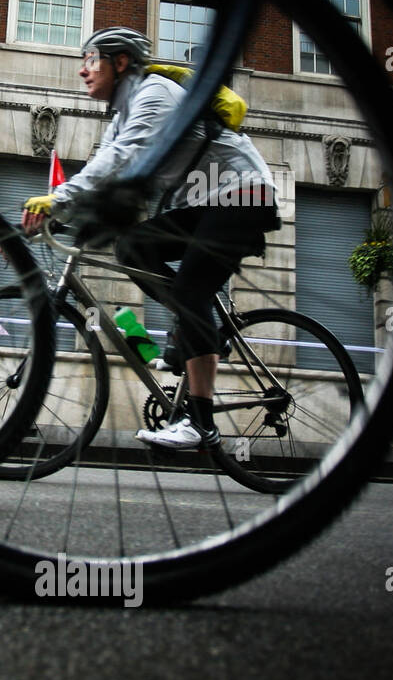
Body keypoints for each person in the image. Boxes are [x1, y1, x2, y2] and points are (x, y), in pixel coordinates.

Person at [21, 26, 280, 450]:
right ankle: (195, 328)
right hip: (203, 202)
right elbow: (108, 176)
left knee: (191, 292)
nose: (82, 70)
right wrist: (55, 218)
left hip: (240, 193)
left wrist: (55, 199)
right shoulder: (122, 113)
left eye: (91, 60)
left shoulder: (153, 94)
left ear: (121, 62)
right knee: (134, 247)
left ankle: (201, 424)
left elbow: (120, 157)